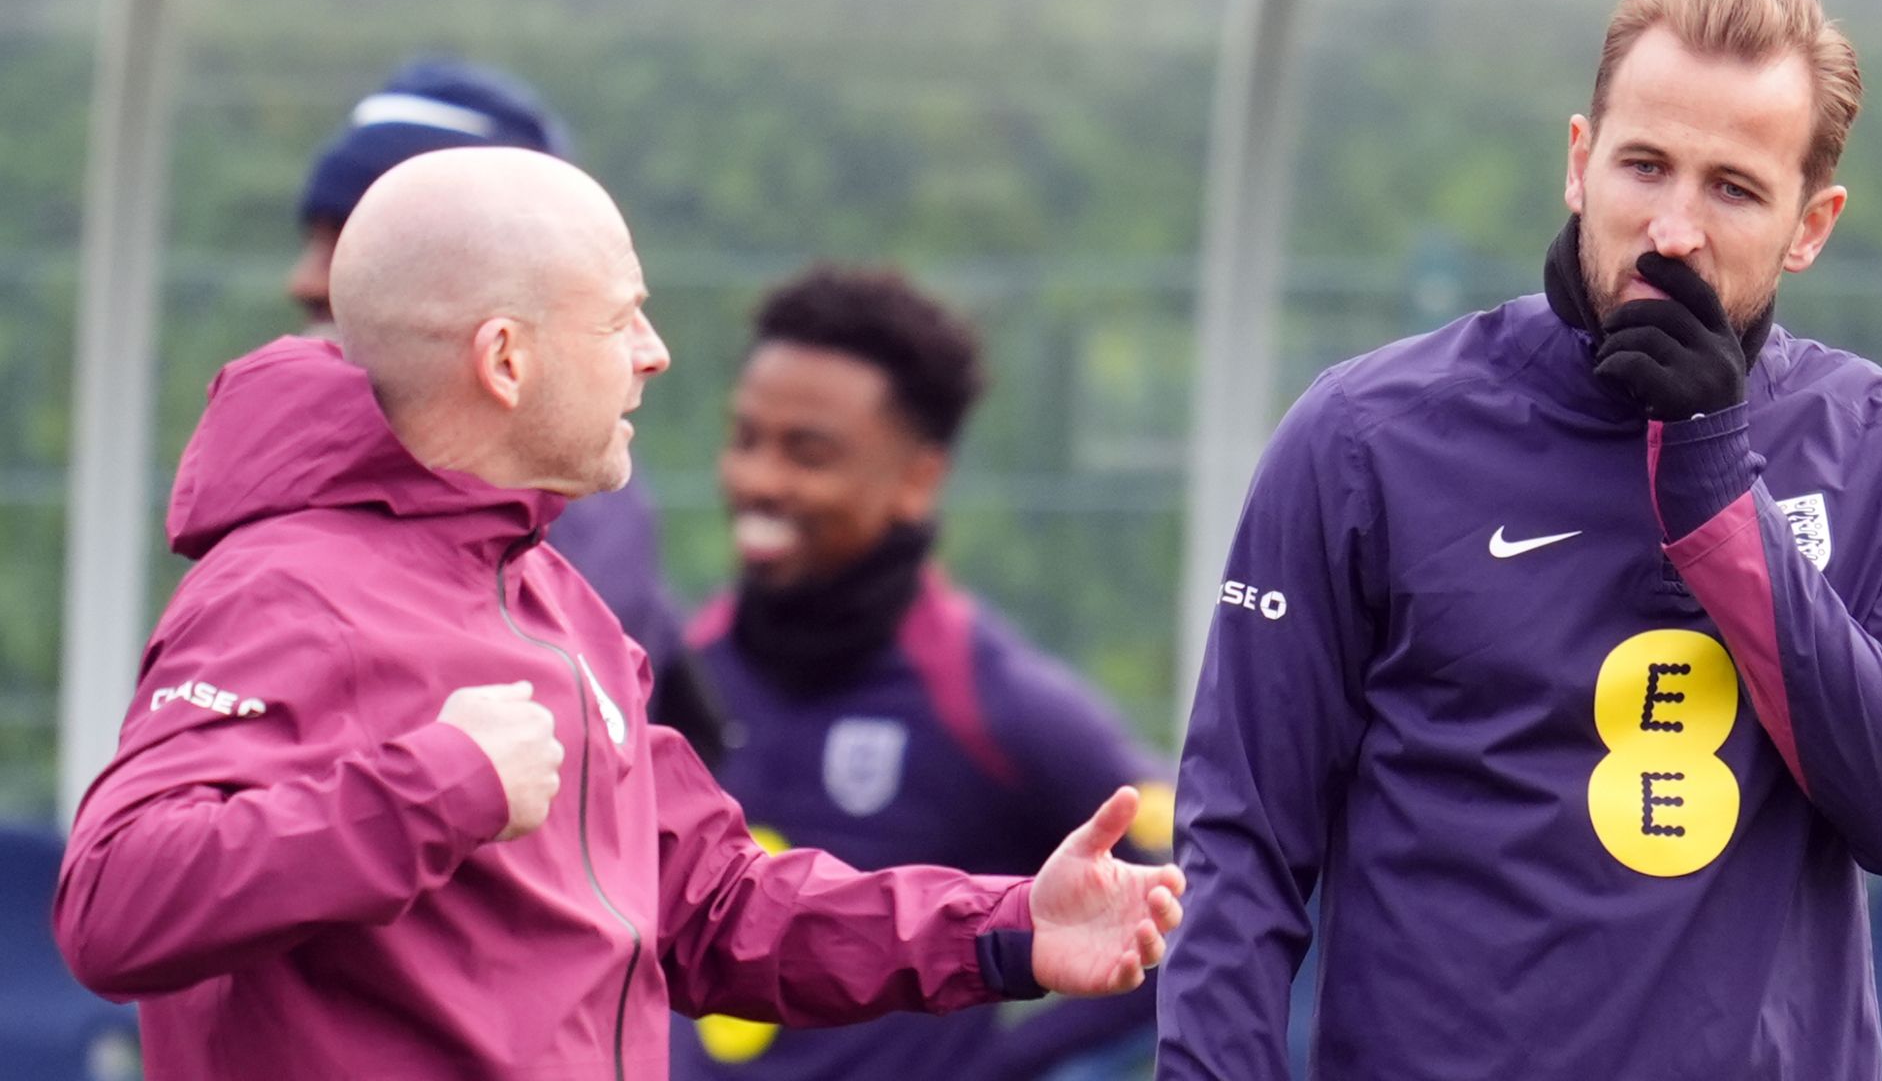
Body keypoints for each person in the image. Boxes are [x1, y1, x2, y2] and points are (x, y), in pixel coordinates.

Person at [54, 147, 1184, 1081]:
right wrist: (434, 788)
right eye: (622, 319)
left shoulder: (556, 600)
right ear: (507, 358)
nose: (653, 355)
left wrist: (1006, 930)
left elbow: (710, 905)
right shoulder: (286, 586)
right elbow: (114, 901)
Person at [1159, 0, 1882, 1081]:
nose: (1670, 229)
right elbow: (1241, 846)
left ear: (1809, 226)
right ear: (1576, 162)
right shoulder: (1363, 436)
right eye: (1641, 165)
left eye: (1732, 189)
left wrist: (1714, 492)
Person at [669, 266, 1175, 1081]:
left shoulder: (993, 704)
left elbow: (1187, 899)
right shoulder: (668, 673)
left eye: (808, 453)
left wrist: (1007, 1064)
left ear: (918, 479)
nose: (758, 480)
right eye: (745, 439)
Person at [291, 56, 726, 763]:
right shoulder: (282, 517)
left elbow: (587, 806)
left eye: (352, 238)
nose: (306, 278)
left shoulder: (570, 523)